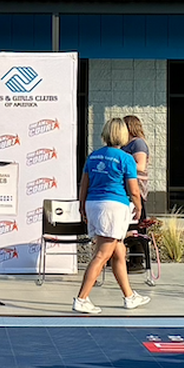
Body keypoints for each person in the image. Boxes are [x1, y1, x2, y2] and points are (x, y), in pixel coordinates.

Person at [73, 117, 151, 315]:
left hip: (93, 204)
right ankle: (81, 298)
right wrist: (138, 208)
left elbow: (84, 184)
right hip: (114, 206)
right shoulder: (126, 159)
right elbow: (134, 190)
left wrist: (82, 206)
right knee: (102, 254)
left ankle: (129, 296)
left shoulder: (93, 156)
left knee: (118, 251)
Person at [123, 115, 150, 213]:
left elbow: (141, 166)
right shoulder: (125, 144)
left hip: (136, 183)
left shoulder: (138, 143)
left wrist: (121, 166)